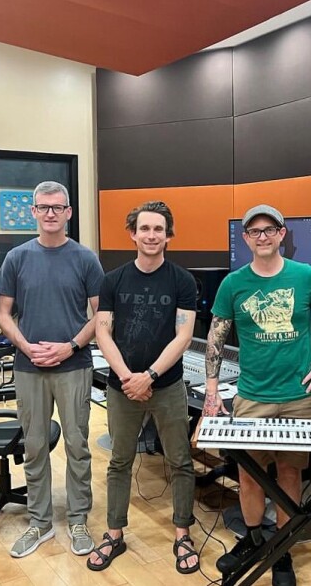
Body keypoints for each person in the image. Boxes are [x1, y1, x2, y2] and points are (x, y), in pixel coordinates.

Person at [204, 204, 311, 586]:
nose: (263, 236)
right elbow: (216, 337)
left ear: (282, 234)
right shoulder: (234, 284)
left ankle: (282, 550)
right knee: (249, 475)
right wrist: (211, 389)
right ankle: (253, 539)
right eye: (255, 231)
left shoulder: (306, 276)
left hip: (297, 397)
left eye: (270, 229)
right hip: (252, 395)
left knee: (289, 472)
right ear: (246, 238)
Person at [87, 201, 199, 574]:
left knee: (180, 461)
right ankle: (114, 532)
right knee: (119, 462)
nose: (152, 236)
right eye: (145, 229)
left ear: (169, 235)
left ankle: (183, 532)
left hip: (166, 386)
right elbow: (103, 331)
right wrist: (126, 378)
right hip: (122, 388)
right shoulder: (113, 280)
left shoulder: (183, 280)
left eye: (159, 230)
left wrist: (148, 376)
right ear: (133, 233)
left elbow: (183, 336)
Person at [0, 181, 104, 558]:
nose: (51, 213)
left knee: (77, 445)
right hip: (29, 367)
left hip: (74, 366)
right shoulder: (17, 258)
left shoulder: (86, 258)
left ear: (69, 212)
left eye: (58, 207)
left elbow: (101, 316)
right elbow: (3, 314)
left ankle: (77, 520)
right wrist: (26, 347)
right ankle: (39, 523)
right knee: (35, 446)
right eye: (44, 207)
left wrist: (69, 346)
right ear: (34, 212)